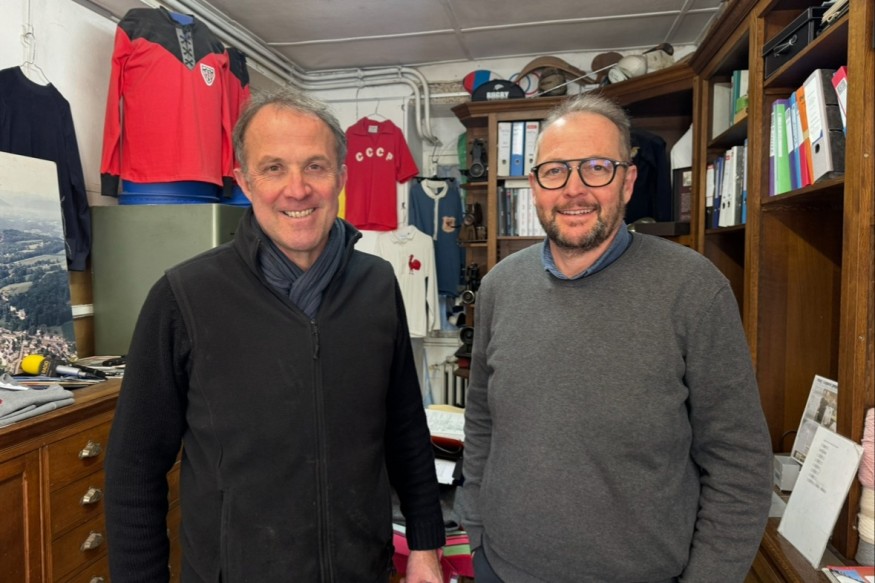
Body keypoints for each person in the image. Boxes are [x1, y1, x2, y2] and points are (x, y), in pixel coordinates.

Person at [104, 87, 446, 582]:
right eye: (273, 168)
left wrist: (425, 544)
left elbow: (405, 427)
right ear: (245, 181)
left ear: (341, 177)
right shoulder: (185, 296)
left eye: (315, 166)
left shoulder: (376, 284)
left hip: (360, 569)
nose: (297, 189)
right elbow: (134, 468)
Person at [456, 93, 773, 582]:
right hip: (502, 568)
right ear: (535, 185)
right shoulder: (500, 286)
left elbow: (739, 463)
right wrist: (475, 533)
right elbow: (481, 421)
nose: (574, 189)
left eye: (597, 168)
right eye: (555, 171)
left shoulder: (693, 289)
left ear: (627, 181)